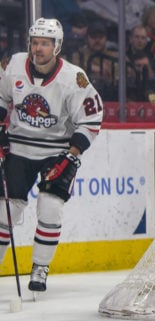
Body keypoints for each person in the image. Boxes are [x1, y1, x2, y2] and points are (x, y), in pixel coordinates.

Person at [0, 18, 102, 292]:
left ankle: (40, 268)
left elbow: (91, 120)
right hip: (19, 149)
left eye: (45, 43)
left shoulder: (74, 78)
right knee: (5, 210)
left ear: (57, 46)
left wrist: (71, 154)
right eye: (35, 42)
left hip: (56, 151)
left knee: (50, 207)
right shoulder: (12, 66)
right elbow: (0, 99)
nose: (38, 48)